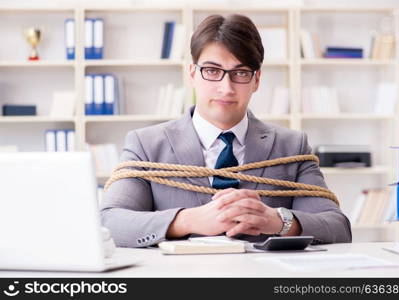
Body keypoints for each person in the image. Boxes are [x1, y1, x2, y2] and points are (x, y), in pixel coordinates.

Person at [100, 14, 352, 248]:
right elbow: (110, 222)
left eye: (240, 73)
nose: (226, 87)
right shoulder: (146, 144)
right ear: (192, 74)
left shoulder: (291, 146)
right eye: (212, 71)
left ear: (256, 80)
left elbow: (337, 227)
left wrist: (278, 221)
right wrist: (187, 221)